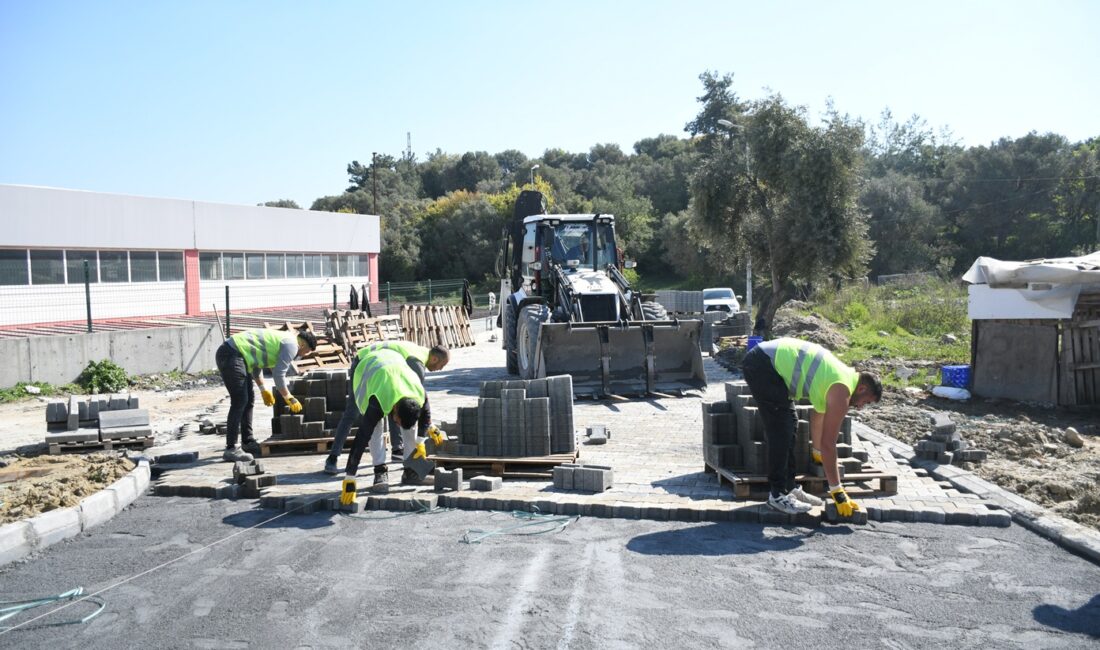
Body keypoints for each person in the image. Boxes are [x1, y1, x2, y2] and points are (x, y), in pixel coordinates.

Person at [740, 337, 882, 515]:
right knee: (781, 429)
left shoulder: (841, 378)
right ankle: (777, 495)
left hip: (765, 361)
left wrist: (817, 451)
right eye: (866, 401)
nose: (861, 407)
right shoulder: (842, 392)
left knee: (790, 422)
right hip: (763, 364)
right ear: (862, 389)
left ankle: (789, 487)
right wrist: (837, 492)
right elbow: (829, 444)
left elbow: (817, 416)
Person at [323, 341, 449, 476]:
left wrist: (424, 433)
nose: (440, 369)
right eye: (441, 365)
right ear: (434, 359)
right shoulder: (416, 365)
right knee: (353, 413)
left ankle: (398, 450)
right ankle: (333, 457)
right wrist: (350, 475)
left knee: (398, 404)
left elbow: (415, 403)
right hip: (364, 363)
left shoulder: (419, 359)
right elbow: (363, 435)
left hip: (386, 365)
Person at [339, 348, 433, 504]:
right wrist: (350, 476)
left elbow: (426, 414)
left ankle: (411, 470)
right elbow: (361, 438)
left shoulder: (418, 394)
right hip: (367, 371)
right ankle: (380, 470)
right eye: (397, 421)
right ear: (395, 409)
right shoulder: (377, 401)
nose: (396, 424)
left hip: (395, 364)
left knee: (410, 428)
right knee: (375, 429)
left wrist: (420, 442)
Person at [215, 328, 317, 462]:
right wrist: (288, 397)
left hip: (236, 354)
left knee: (248, 400)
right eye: (307, 351)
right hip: (231, 354)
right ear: (303, 344)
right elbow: (279, 374)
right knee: (240, 401)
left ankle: (247, 441)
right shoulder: (292, 345)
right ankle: (231, 448)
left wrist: (263, 389)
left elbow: (256, 365)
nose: (304, 355)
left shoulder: (284, 341)